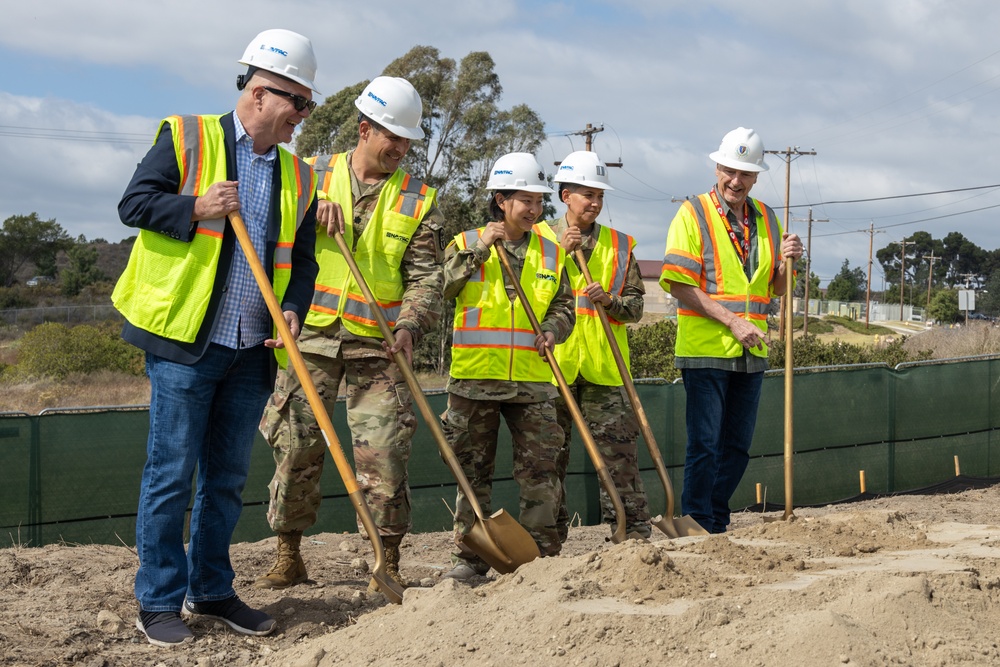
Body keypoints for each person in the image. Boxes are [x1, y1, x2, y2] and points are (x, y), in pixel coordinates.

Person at [112, 29, 322, 647]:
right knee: (172, 473)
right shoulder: (186, 137)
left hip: (253, 348)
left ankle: (212, 588)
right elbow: (134, 204)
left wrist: (292, 308)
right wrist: (196, 207)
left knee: (227, 479)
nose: (303, 118)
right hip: (186, 343)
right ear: (260, 94)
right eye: (298, 104)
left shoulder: (299, 176)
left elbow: (302, 261)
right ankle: (157, 601)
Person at [254, 76, 444, 592]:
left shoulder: (418, 199)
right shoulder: (308, 175)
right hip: (309, 336)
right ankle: (288, 555)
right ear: (364, 129)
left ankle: (388, 562)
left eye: (407, 142)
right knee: (296, 448)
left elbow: (427, 278)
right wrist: (306, 212)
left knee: (384, 457)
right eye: (393, 139)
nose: (401, 150)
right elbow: (266, 233)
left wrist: (410, 325)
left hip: (380, 346)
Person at [658, 127, 803, 534]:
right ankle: (698, 521)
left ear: (756, 177)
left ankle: (716, 521)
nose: (736, 181)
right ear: (717, 167)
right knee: (704, 445)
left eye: (746, 174)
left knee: (736, 447)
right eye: (729, 171)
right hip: (706, 349)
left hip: (751, 352)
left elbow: (774, 288)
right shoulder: (693, 213)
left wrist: (788, 264)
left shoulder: (767, 218)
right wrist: (732, 322)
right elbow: (680, 285)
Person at [440, 152, 575, 581]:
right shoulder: (465, 243)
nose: (534, 210)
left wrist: (554, 330)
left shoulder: (552, 253)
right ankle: (470, 557)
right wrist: (481, 250)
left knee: (541, 472)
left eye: (538, 201)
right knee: (471, 472)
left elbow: (565, 305)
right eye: (525, 201)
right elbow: (444, 285)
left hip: (533, 384)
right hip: (475, 380)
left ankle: (541, 558)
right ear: (500, 200)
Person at [537, 150, 651, 542]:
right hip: (552, 369)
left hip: (606, 371)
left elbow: (636, 307)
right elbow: (523, 298)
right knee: (548, 458)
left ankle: (631, 533)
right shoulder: (538, 240)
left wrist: (611, 303)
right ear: (565, 194)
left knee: (619, 458)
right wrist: (557, 255)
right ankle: (547, 540)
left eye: (600, 195)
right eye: (587, 194)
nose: (596, 203)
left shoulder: (619, 246)